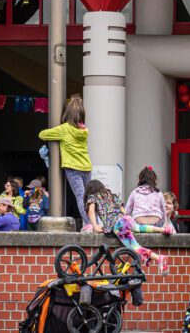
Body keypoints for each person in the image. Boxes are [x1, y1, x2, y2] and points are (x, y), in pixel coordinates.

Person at [85, 179, 171, 272]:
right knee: (140, 228)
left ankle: (158, 258)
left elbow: (91, 210)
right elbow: (123, 210)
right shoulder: (110, 195)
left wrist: (95, 226)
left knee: (136, 247)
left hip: (118, 226)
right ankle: (163, 230)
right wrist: (126, 218)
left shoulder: (92, 197)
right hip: (126, 219)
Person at [38, 94, 92, 225]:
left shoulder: (64, 129)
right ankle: (96, 222)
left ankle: (89, 223)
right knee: (90, 197)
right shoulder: (84, 130)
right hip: (86, 166)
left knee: (80, 196)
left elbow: (42, 134)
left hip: (72, 168)